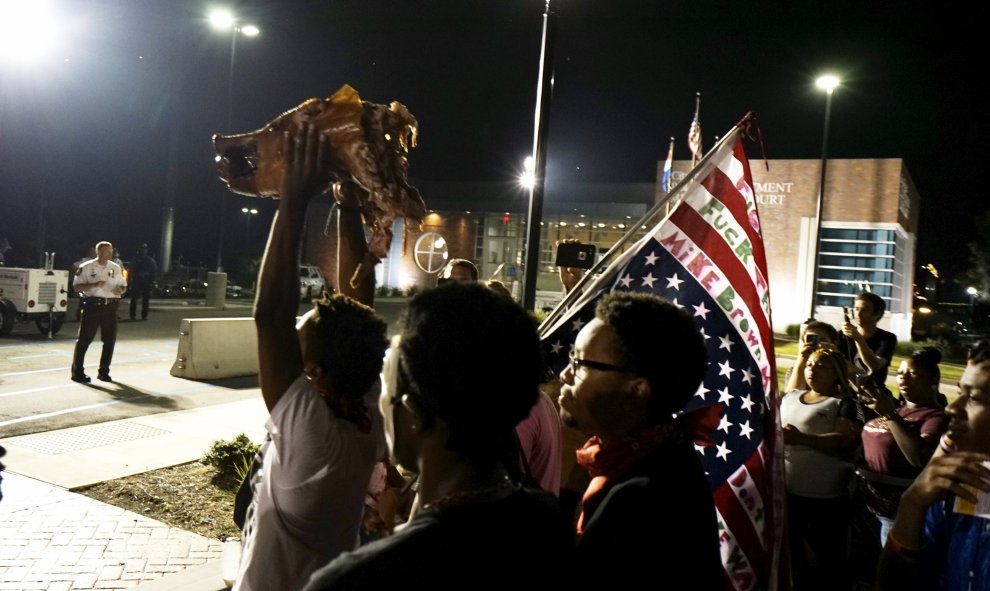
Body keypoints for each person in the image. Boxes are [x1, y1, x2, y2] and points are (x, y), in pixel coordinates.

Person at [303, 282, 574, 590]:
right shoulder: (545, 523)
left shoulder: (352, 579)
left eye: (387, 389)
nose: (379, 404)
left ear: (414, 413)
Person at [233, 125, 389, 591]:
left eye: (302, 335)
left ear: (314, 373)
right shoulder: (360, 404)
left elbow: (270, 314)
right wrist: (347, 204)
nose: (295, 325)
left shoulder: (312, 430)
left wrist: (293, 202)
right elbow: (358, 299)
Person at [557, 291, 723, 589]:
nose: (565, 374)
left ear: (636, 390)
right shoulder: (656, 457)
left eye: (580, 363)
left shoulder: (643, 501)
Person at [876, 340, 990, 591]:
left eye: (974, 398)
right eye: (960, 392)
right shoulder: (970, 489)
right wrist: (912, 502)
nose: (952, 408)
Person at [781, 347, 863, 590]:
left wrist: (802, 440)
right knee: (794, 559)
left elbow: (845, 441)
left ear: (837, 373)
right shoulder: (790, 397)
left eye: (821, 366)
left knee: (826, 564)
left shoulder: (847, 404)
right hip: (789, 495)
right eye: (809, 365)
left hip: (823, 501)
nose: (812, 370)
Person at [857, 347, 949, 545]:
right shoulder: (897, 409)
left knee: (895, 572)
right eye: (899, 373)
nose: (903, 378)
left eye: (912, 373)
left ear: (934, 381)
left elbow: (919, 458)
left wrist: (890, 415)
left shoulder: (936, 417)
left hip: (898, 515)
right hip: (871, 509)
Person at [71, 241, 127, 383]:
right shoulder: (86, 267)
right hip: (93, 306)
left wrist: (121, 289)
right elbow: (77, 287)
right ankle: (77, 372)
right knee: (84, 340)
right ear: (98, 252)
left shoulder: (115, 267)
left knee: (109, 340)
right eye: (105, 251)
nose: (109, 254)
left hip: (110, 307)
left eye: (110, 251)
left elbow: (123, 285)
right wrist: (94, 285)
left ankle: (104, 372)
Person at [841, 291, 898, 390]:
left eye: (864, 310)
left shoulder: (887, 338)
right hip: (847, 391)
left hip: (875, 392)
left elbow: (875, 366)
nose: (858, 313)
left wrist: (858, 338)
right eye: (856, 309)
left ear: (877, 314)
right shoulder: (842, 335)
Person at [784, 319, 842, 392]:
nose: (818, 345)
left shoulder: (840, 368)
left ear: (834, 342)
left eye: (822, 340)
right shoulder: (795, 370)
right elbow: (791, 398)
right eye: (812, 341)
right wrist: (800, 365)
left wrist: (838, 359)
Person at [127, 243, 158, 321]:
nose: (143, 250)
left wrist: (152, 281)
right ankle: (132, 315)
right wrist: (130, 280)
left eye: (145, 249)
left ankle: (144, 315)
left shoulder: (150, 260)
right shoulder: (135, 259)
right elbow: (130, 270)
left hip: (146, 282)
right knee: (134, 299)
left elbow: (154, 271)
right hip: (136, 281)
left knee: (146, 300)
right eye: (142, 249)